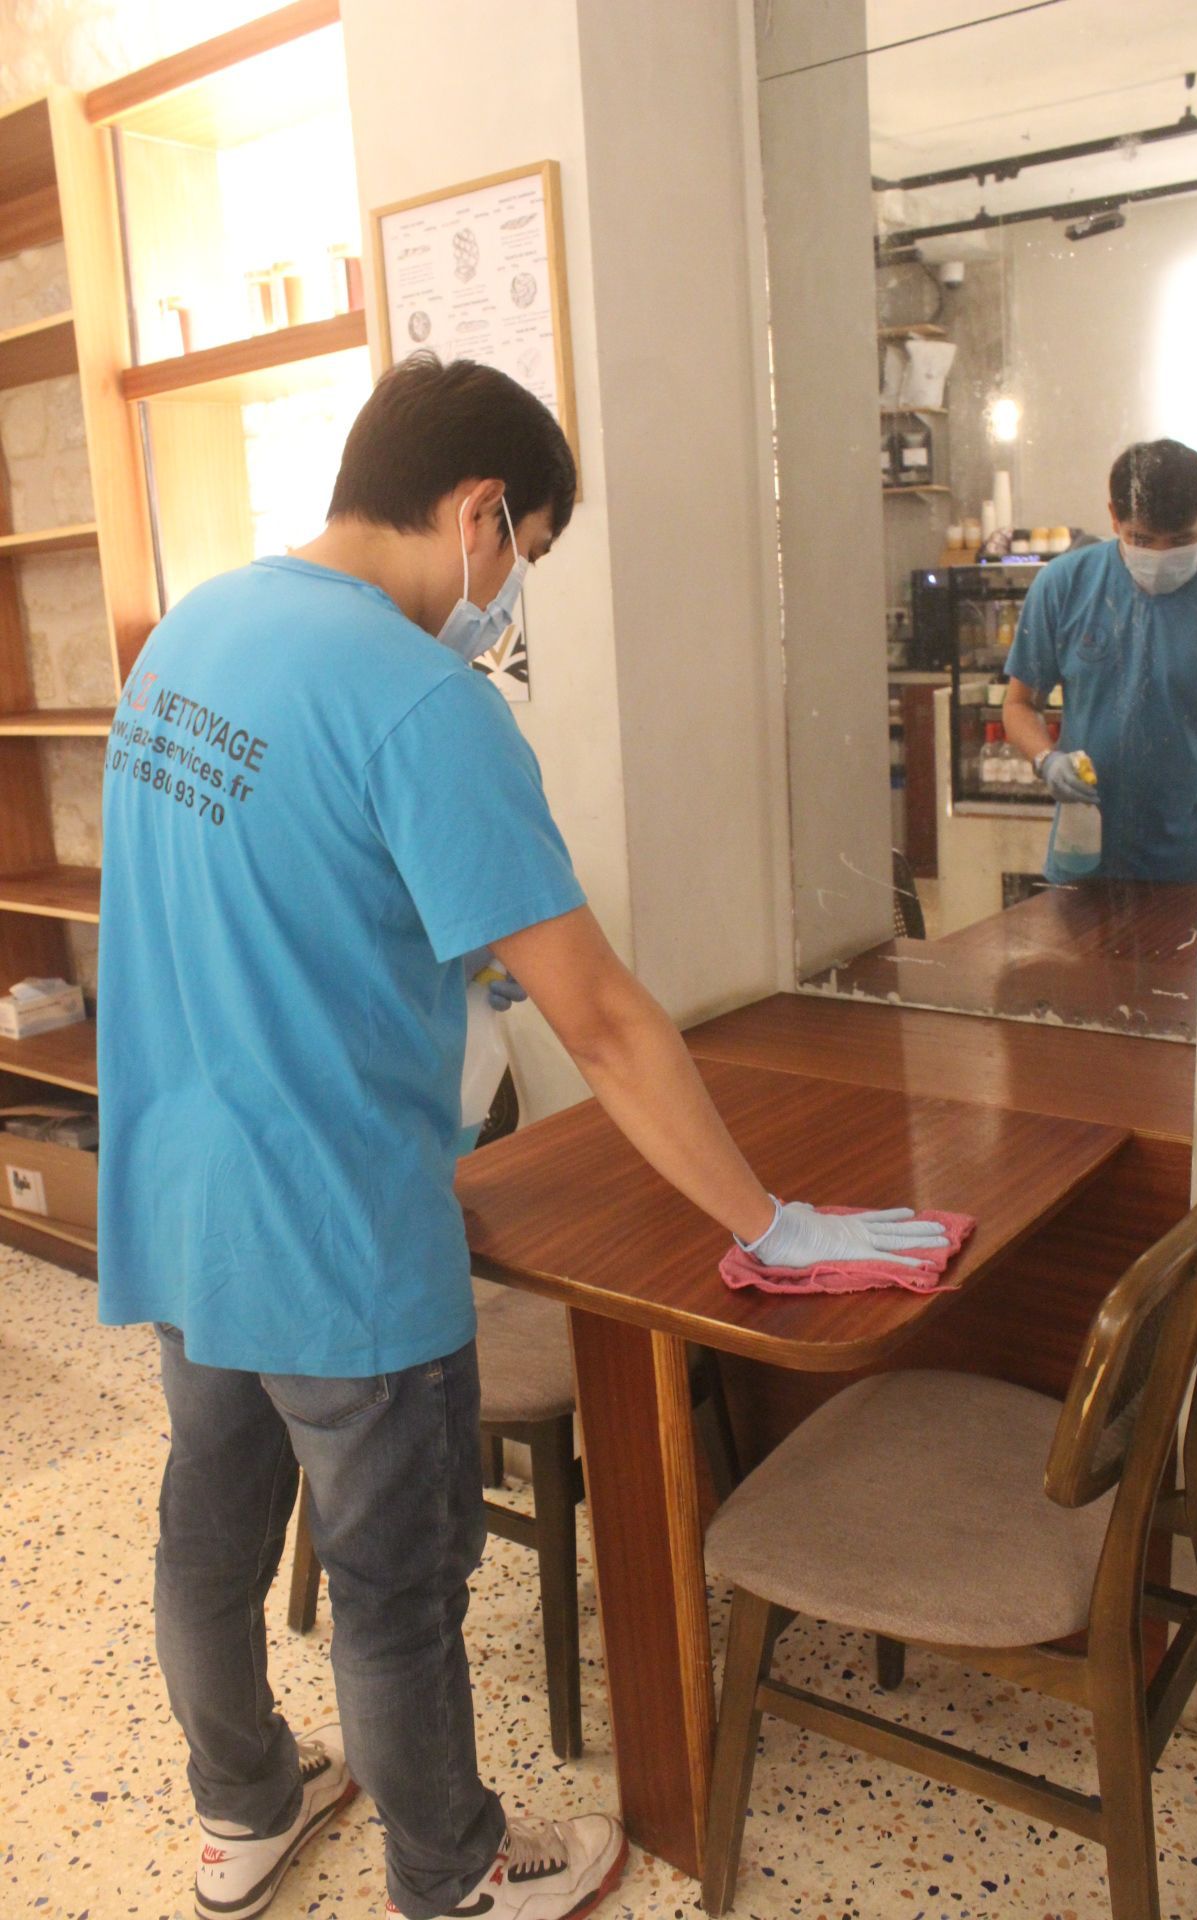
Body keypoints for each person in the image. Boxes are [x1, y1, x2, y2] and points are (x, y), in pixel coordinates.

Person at [96, 353, 946, 1920]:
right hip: (340, 1231)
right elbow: (607, 1019)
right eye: (528, 557)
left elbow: (239, 891)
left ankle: (244, 1809)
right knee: (397, 1586)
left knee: (208, 1536)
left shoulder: (192, 634)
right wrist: (767, 1223)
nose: (510, 599)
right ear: (480, 511)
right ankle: (456, 1870)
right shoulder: (426, 701)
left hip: (178, 1190)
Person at [1002, 438, 1197, 884]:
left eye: (1182, 541)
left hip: (1196, 862)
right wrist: (1045, 760)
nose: (1160, 555)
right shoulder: (1064, 585)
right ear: (1113, 516)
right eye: (1141, 539)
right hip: (1086, 855)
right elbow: (1018, 705)